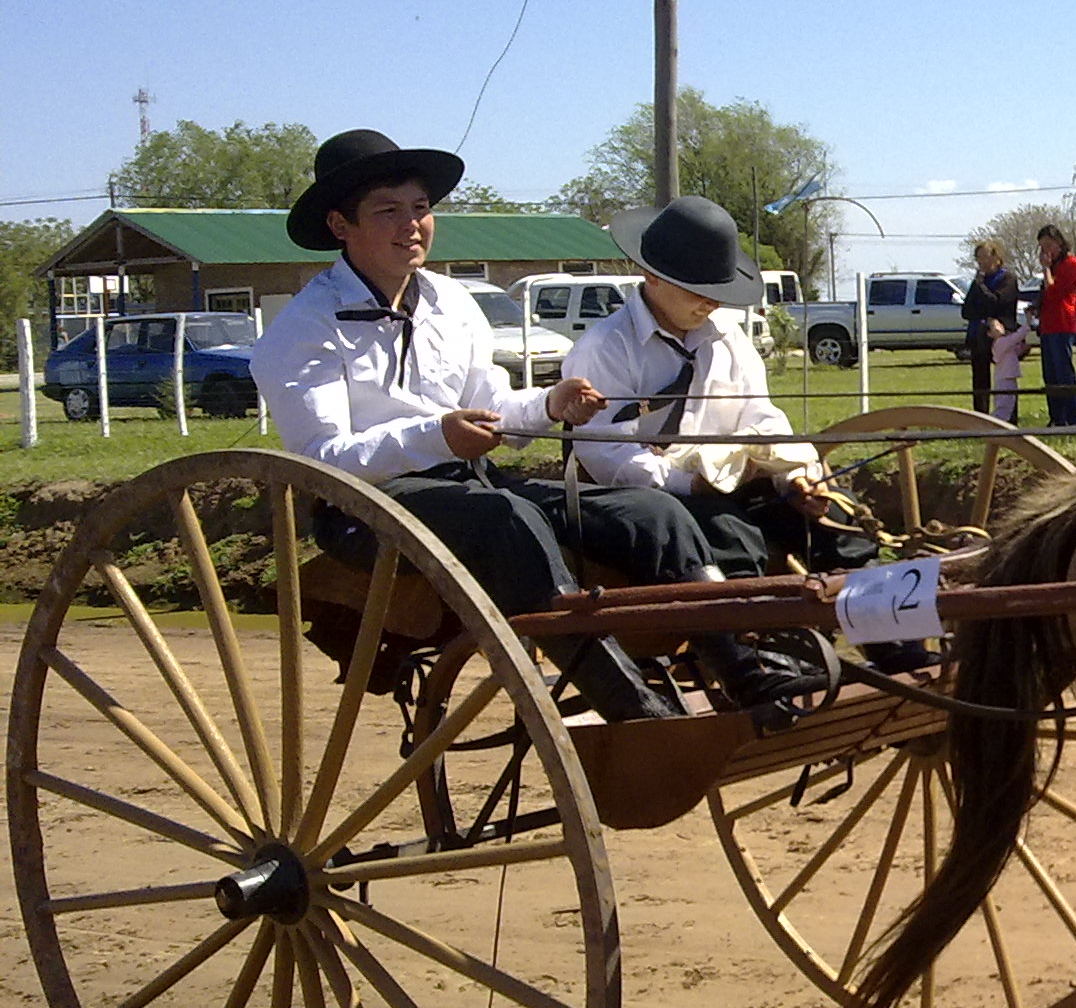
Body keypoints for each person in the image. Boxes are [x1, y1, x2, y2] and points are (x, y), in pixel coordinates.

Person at [251, 131, 816, 728]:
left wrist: (550, 404)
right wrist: (437, 436)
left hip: (468, 483)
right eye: (387, 211)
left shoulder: (450, 302)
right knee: (507, 519)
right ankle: (633, 707)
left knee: (651, 512)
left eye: (420, 208)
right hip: (367, 509)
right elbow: (323, 459)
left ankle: (743, 669)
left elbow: (491, 406)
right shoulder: (302, 330)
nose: (411, 225)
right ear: (341, 225)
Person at [561, 194, 857, 581]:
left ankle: (893, 637)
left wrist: (793, 475)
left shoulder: (729, 338)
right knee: (731, 536)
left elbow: (760, 416)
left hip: (740, 483)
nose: (710, 305)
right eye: (696, 291)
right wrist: (692, 483)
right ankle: (749, 637)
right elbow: (609, 456)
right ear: (652, 275)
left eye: (718, 293)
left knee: (840, 520)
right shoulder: (605, 348)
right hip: (653, 499)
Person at [962, 239, 1022, 416]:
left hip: (1001, 336)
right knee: (980, 378)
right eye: (978, 258)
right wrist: (983, 311)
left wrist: (981, 290)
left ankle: (1008, 416)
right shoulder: (979, 281)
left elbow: (997, 302)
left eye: (985, 257)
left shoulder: (1008, 279)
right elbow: (966, 310)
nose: (981, 262)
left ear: (996, 257)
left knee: (1004, 378)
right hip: (979, 336)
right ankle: (980, 415)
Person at [1034, 223, 1076, 428]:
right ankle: (1057, 417)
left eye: (1049, 245)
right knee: (1050, 374)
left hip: (1063, 323)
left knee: (1064, 372)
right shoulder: (1053, 267)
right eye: (1042, 247)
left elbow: (1055, 291)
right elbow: (1046, 294)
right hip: (1048, 324)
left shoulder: (1070, 264)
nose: (1046, 251)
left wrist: (1046, 269)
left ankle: (1074, 417)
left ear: (1059, 243)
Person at [989, 298, 1033, 425]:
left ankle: (1001, 424)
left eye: (998, 325)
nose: (998, 328)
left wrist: (1024, 348)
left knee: (1008, 403)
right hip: (1004, 378)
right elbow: (1016, 338)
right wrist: (1028, 323)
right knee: (1004, 404)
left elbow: (1015, 351)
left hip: (1008, 376)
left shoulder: (1004, 343)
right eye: (994, 327)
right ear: (989, 334)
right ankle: (997, 424)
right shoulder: (1000, 343)